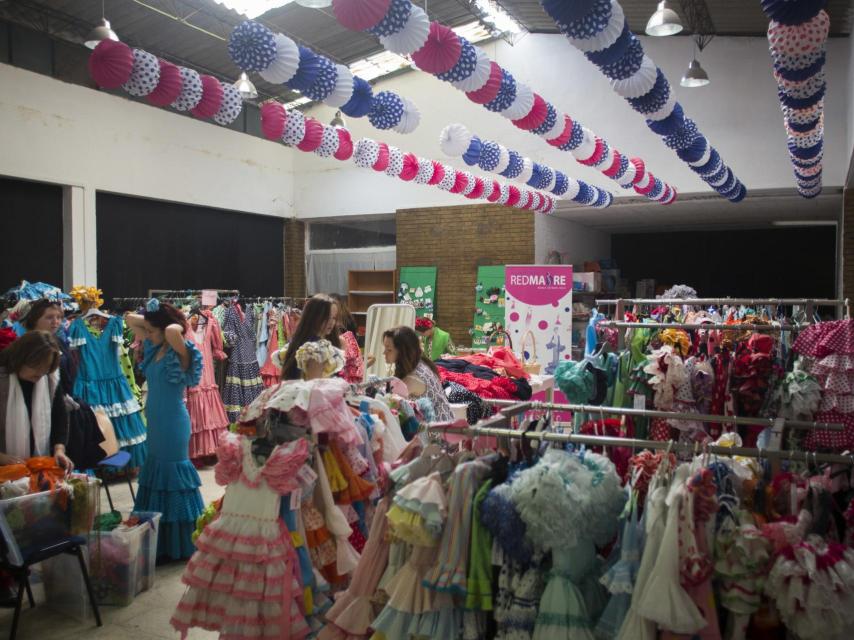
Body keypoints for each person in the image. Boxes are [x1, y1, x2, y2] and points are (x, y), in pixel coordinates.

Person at [126, 299, 204, 560]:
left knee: (172, 477)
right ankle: (157, 540)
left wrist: (172, 323)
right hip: (156, 423)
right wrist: (152, 318)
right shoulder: (152, 347)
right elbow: (129, 319)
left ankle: (178, 541)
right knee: (154, 472)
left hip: (173, 424)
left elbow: (172, 331)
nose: (145, 334)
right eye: (146, 331)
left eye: (150, 330)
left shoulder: (180, 352)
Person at [0, 331, 72, 470]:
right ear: (20, 359)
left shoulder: (50, 378)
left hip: (38, 465)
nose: (39, 374)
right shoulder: (3, 380)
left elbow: (59, 416)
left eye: (45, 369)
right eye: (35, 368)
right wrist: (3, 458)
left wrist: (59, 450)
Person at [280, 294, 365, 383]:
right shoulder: (315, 348)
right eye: (326, 317)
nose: (331, 322)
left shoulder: (335, 342)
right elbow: (314, 387)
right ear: (313, 316)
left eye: (334, 318)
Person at [382, 326, 454, 422]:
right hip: (444, 425)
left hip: (435, 432)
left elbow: (388, 404)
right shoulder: (421, 364)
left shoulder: (412, 379)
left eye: (389, 349)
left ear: (403, 352)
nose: (384, 353)